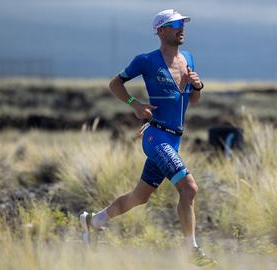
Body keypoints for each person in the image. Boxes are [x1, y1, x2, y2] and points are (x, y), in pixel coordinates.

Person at [79, 9, 217, 268]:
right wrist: (135, 104)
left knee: (139, 197)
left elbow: (193, 102)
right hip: (156, 137)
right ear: (161, 30)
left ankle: (93, 221)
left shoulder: (188, 58)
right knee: (189, 188)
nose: (182, 28)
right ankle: (192, 251)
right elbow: (115, 84)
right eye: (176, 24)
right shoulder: (146, 60)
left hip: (174, 139)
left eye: (183, 23)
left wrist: (197, 87)